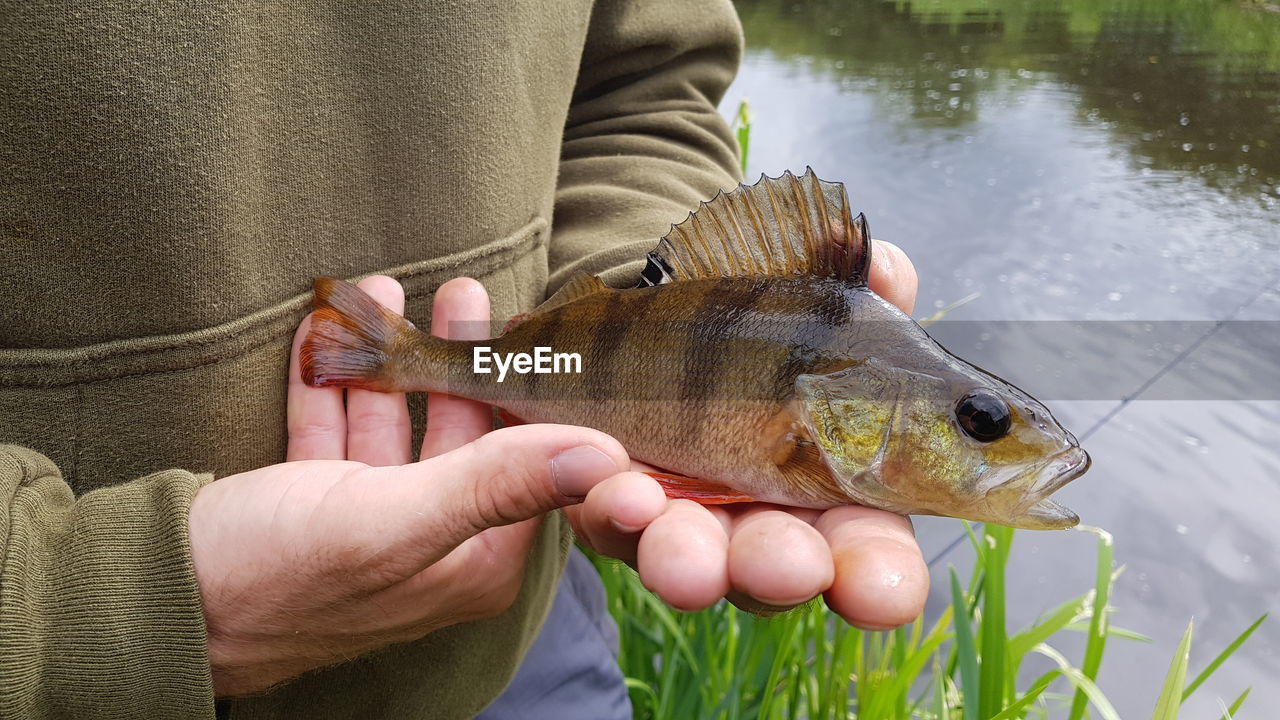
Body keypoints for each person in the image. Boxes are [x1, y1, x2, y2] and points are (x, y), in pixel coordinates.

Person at [0, 1, 928, 717]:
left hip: (515, 613)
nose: (983, 437)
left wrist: (630, 272)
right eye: (977, 423)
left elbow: (642, 92)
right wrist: (82, 606)